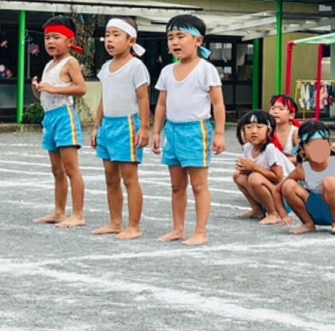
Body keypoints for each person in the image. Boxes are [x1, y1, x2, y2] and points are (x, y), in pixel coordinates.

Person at [150, 15, 226, 245]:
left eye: (181, 36)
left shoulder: (206, 69)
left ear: (198, 40)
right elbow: (162, 104)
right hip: (173, 132)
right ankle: (178, 228)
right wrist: (156, 132)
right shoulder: (167, 71)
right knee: (176, 185)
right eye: (170, 37)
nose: (175, 42)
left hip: (196, 131)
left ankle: (201, 231)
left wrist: (220, 133)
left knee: (199, 185)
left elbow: (218, 103)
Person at [90, 16, 150, 239]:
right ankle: (115, 222)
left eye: (116, 35)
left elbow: (143, 98)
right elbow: (104, 99)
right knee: (110, 176)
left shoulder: (136, 66)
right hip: (108, 126)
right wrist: (97, 126)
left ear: (131, 40)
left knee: (129, 177)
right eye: (107, 35)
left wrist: (144, 128)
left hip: (127, 125)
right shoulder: (106, 67)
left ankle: (134, 225)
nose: (110, 40)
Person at [32, 16, 87, 228]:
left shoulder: (70, 62)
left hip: (65, 116)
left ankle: (79, 214)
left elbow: (81, 88)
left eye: (56, 37)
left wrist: (54, 88)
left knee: (71, 168)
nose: (50, 42)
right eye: (47, 38)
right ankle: (59, 211)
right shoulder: (48, 64)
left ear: (70, 41)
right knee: (57, 170)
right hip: (50, 117)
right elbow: (45, 96)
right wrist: (38, 89)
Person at [281, 119, 335, 234]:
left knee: (330, 181)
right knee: (288, 185)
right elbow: (278, 189)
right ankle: (308, 223)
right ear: (303, 148)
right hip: (314, 210)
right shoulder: (302, 168)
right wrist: (282, 214)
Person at [232, 109, 290, 225]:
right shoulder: (248, 147)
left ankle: (274, 213)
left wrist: (253, 167)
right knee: (238, 175)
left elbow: (278, 177)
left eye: (259, 127)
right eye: (249, 127)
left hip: (285, 195)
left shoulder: (270, 149)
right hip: (271, 189)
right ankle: (257, 211)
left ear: (269, 131)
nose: (253, 131)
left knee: (255, 178)